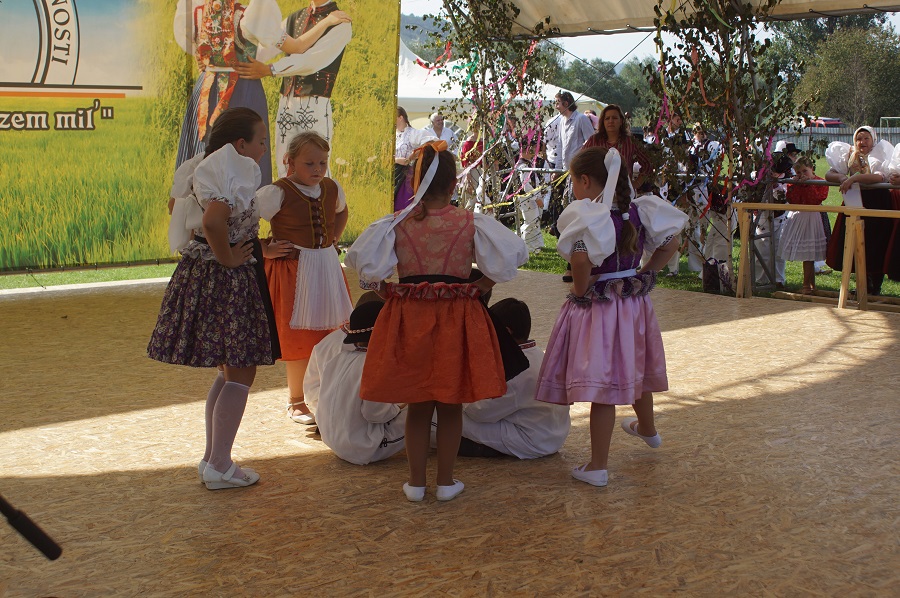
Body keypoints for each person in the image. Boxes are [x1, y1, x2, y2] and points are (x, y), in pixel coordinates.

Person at [346, 140, 529, 502]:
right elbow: (507, 260)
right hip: (456, 321)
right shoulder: (470, 223)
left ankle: (416, 483)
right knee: (450, 403)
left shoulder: (396, 225)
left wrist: (389, 292)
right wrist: (480, 286)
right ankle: (445, 481)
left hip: (409, 322)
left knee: (418, 404)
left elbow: (367, 271)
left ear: (414, 184)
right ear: (453, 184)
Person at [535, 147, 687, 487]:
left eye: (573, 182)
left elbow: (580, 260)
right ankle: (647, 428)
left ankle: (598, 466)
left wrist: (580, 289)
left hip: (602, 307)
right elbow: (672, 241)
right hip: (633, 303)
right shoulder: (637, 211)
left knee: (604, 384)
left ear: (585, 181)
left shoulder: (590, 216)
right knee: (633, 367)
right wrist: (646, 271)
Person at [148, 107, 279, 490]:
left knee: (229, 370)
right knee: (241, 370)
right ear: (241, 144)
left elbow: (180, 210)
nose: (263, 149)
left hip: (207, 274)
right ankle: (220, 464)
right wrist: (228, 256)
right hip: (226, 279)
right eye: (260, 142)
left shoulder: (201, 166)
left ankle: (213, 459)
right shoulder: (234, 167)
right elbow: (212, 220)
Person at [257, 131, 353, 424]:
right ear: (290, 161)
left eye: (322, 162)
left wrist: (334, 237)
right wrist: (264, 249)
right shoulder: (277, 192)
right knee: (298, 338)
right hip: (294, 271)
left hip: (326, 267)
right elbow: (242, 222)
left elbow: (342, 212)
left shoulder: (331, 187)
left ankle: (326, 396)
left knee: (331, 334)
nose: (317, 169)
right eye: (309, 163)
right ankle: (296, 401)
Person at [234, 0, 353, 178]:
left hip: (314, 103)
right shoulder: (295, 18)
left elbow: (311, 61)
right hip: (286, 102)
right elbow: (265, 49)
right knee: (284, 164)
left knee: (316, 167)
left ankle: (319, 198)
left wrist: (270, 69)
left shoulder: (341, 24)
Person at [459, 298, 571, 459]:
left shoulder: (517, 369)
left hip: (530, 441)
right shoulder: (538, 355)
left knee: (440, 415)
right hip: (552, 435)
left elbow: (479, 412)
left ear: (506, 332)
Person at [304, 299, 407, 465]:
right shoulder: (374, 366)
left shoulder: (339, 358)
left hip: (331, 439)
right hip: (364, 447)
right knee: (425, 413)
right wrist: (400, 405)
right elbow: (376, 414)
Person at [824, 126, 894, 296]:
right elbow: (828, 174)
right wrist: (842, 177)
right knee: (854, 241)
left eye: (866, 138)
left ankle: (875, 285)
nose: (862, 142)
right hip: (855, 200)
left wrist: (854, 179)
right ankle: (862, 284)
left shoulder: (879, 154)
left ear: (872, 140)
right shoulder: (850, 155)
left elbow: (879, 177)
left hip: (877, 201)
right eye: (859, 139)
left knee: (876, 242)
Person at [777, 156, 829, 294]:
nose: (802, 175)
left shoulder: (820, 182)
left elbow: (816, 199)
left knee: (810, 253)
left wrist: (808, 184)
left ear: (811, 168)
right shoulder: (794, 183)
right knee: (806, 253)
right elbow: (792, 199)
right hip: (799, 216)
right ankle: (808, 285)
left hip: (814, 217)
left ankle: (808, 285)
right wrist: (795, 185)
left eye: (805, 171)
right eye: (799, 172)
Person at [583, 104, 651, 189]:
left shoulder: (630, 141)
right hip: (598, 191)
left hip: (623, 192)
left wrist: (636, 184)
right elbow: (580, 162)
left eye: (614, 118)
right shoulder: (594, 141)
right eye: (607, 118)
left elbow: (647, 165)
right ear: (603, 122)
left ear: (621, 121)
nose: (611, 121)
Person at [394, 106, 437, 211]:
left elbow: (432, 142)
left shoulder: (412, 133)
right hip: (393, 174)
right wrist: (397, 160)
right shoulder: (393, 135)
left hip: (406, 176)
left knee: (403, 206)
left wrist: (412, 156)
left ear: (400, 117)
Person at [512, 139, 546, 253]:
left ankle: (535, 244)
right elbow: (526, 185)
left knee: (535, 220)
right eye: (532, 148)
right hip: (526, 198)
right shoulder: (523, 166)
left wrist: (540, 192)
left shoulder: (529, 163)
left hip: (532, 197)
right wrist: (536, 198)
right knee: (530, 222)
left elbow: (534, 180)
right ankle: (526, 244)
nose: (534, 151)